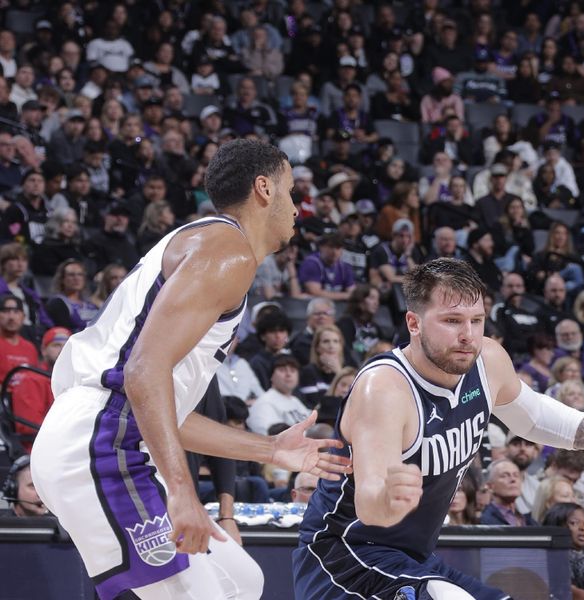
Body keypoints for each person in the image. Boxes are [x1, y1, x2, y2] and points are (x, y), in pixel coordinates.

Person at [30, 140, 351, 600]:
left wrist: (271, 449)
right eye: (291, 191)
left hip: (111, 433)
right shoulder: (229, 250)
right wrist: (182, 491)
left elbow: (162, 408)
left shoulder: (206, 243)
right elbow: (142, 372)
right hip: (102, 440)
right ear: (264, 189)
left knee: (242, 582)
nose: (298, 208)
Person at [294, 258, 584, 600]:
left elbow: (533, 417)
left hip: (409, 558)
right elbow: (369, 503)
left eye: (477, 320)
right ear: (413, 322)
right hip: (345, 556)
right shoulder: (384, 389)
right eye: (451, 321)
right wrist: (391, 501)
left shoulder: (487, 359)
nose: (468, 335)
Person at [479, 458, 539, 526]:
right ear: (490, 486)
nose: (513, 480)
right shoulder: (484, 520)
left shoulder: (529, 521)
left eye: (516, 475)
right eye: (504, 476)